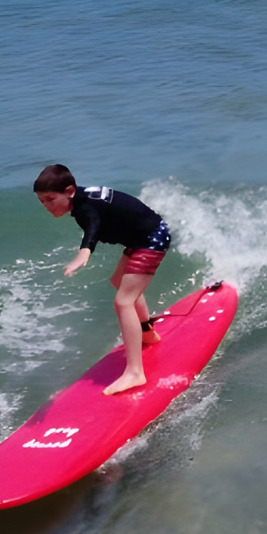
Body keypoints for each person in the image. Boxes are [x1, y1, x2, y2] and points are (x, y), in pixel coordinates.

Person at [33, 164, 172, 396]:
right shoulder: (83, 198)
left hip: (151, 238)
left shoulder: (84, 206)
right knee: (119, 283)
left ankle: (135, 372)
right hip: (142, 237)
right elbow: (94, 219)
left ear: (69, 191)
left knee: (123, 301)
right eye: (42, 202)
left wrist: (84, 252)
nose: (47, 206)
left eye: (50, 199)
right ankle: (147, 333)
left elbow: (93, 225)